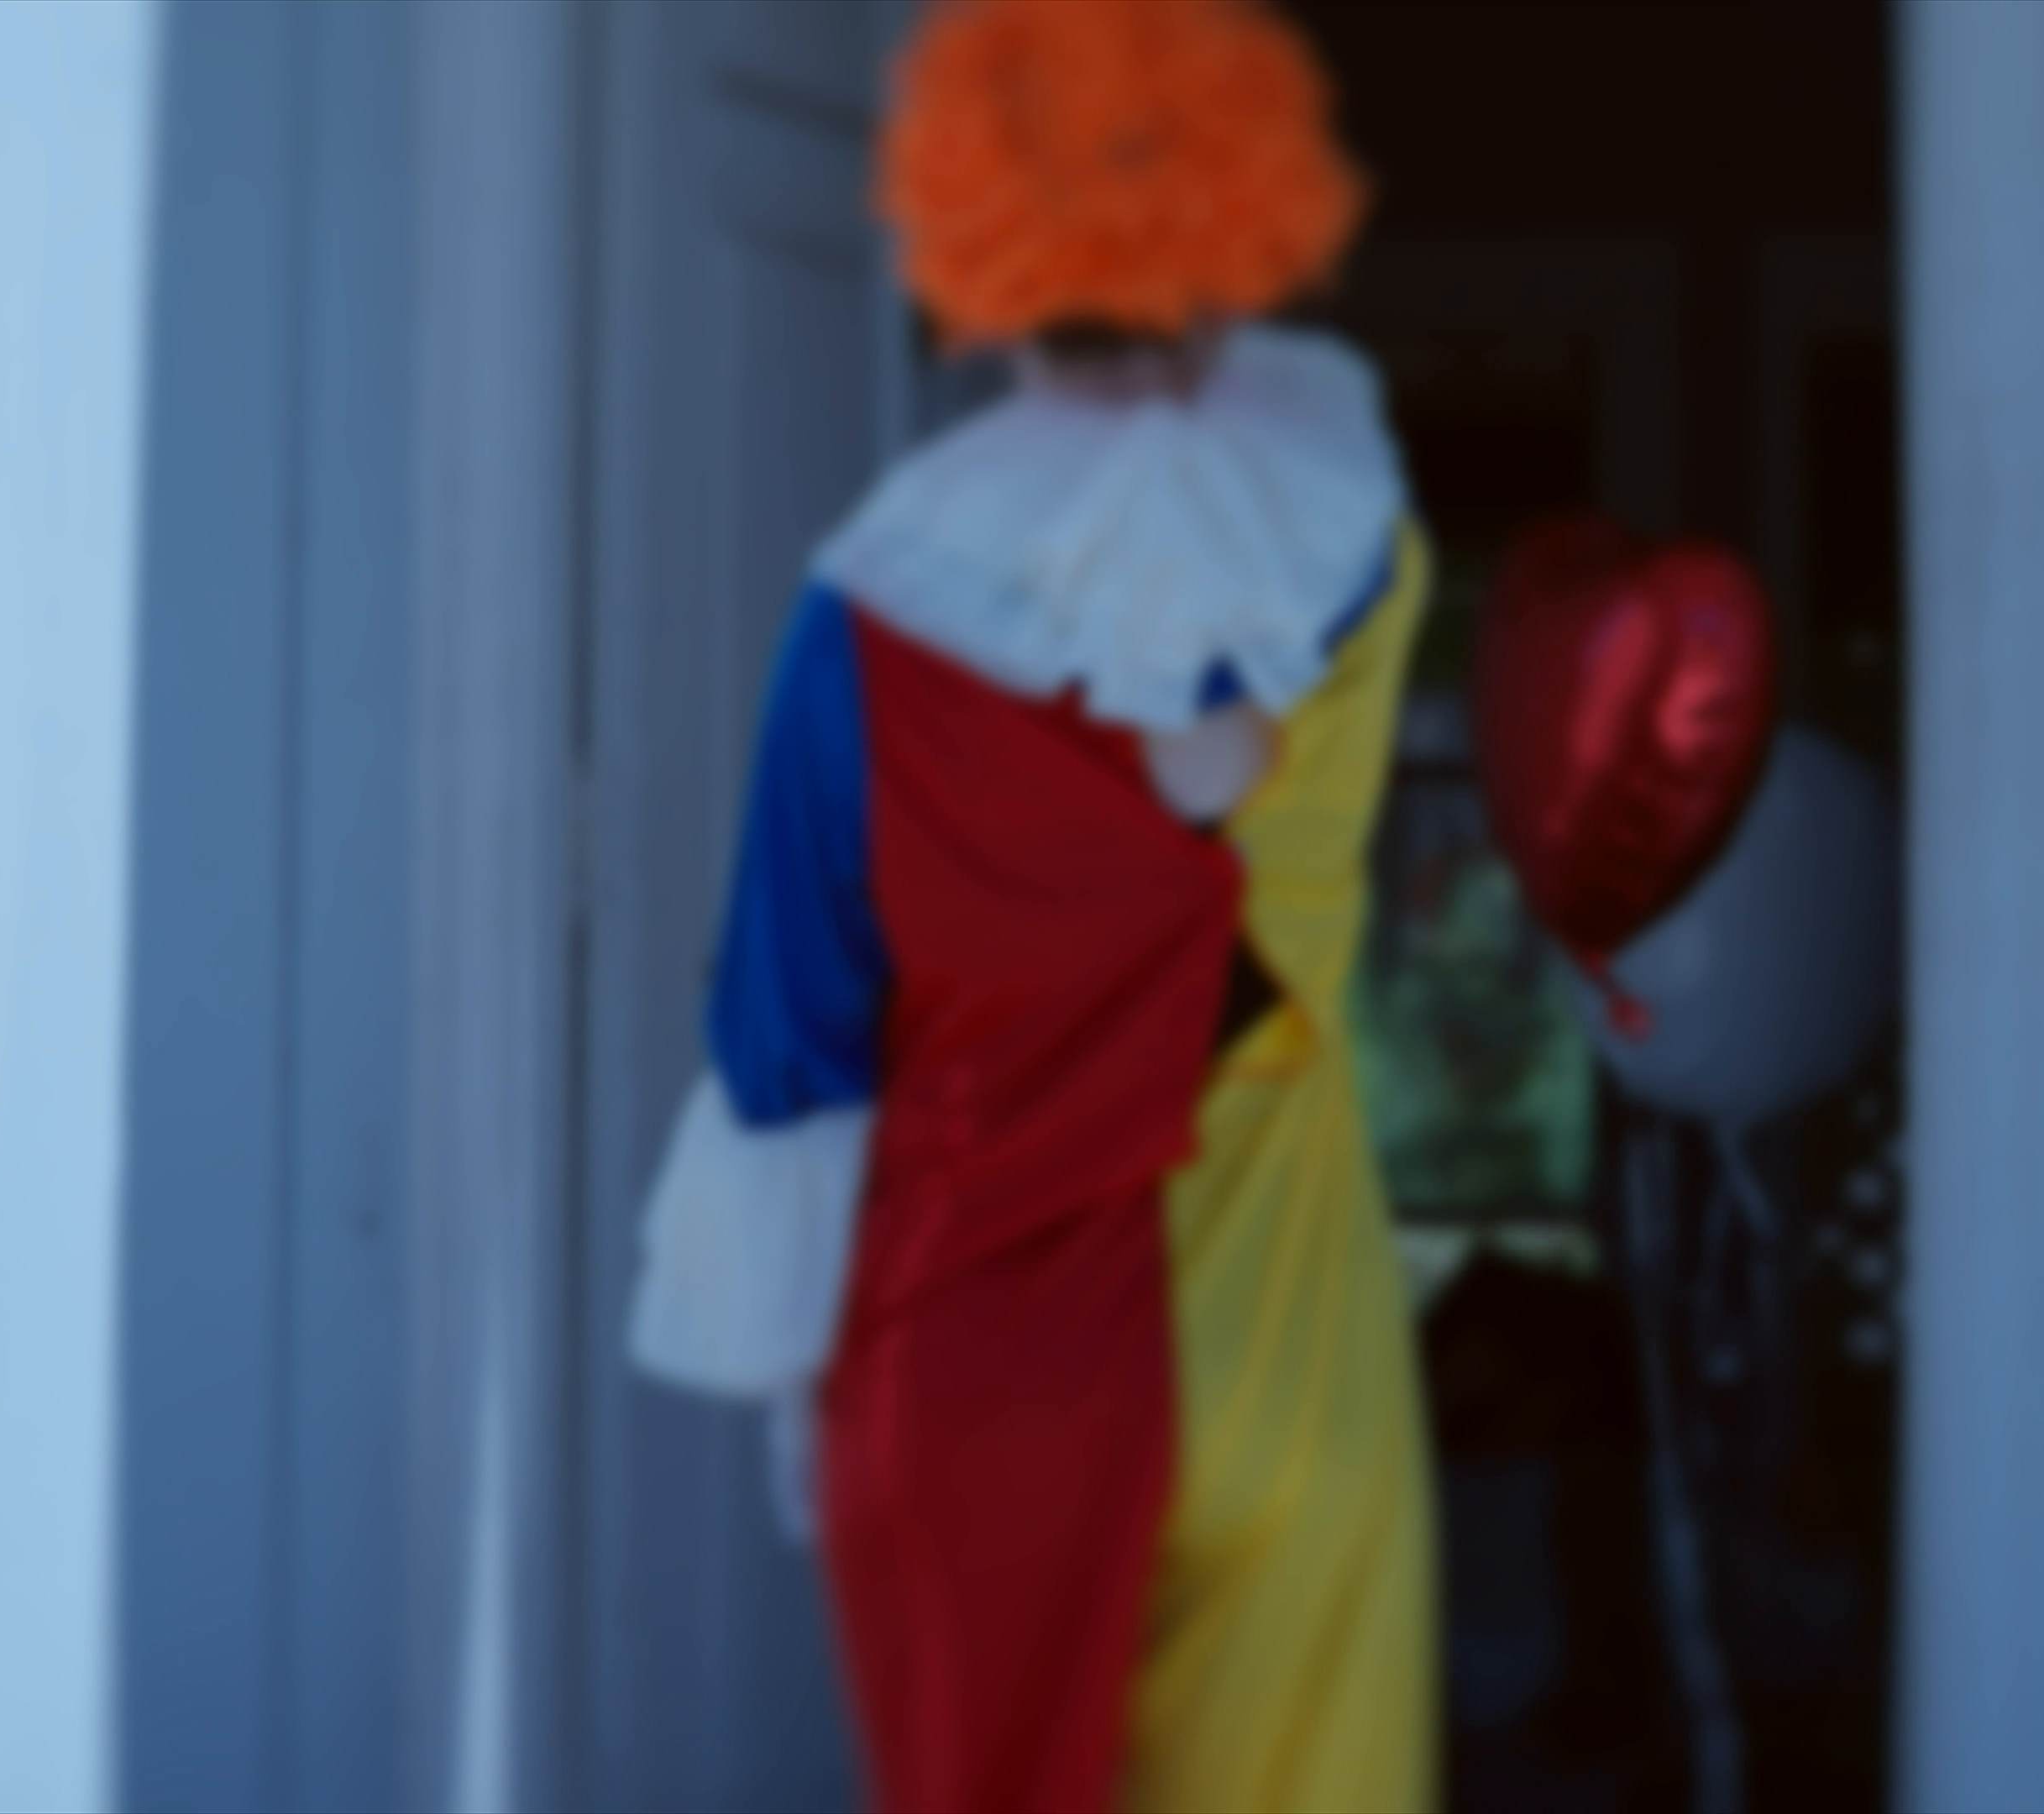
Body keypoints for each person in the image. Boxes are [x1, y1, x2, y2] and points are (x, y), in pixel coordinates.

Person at [626, 3, 1434, 1808]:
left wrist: (790, 1374)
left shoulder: (868, 608)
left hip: (987, 1354)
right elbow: (1216, 732)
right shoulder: (1355, 526)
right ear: (1240, 217)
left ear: (975, 244)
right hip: (1290, 1336)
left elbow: (790, 1036)